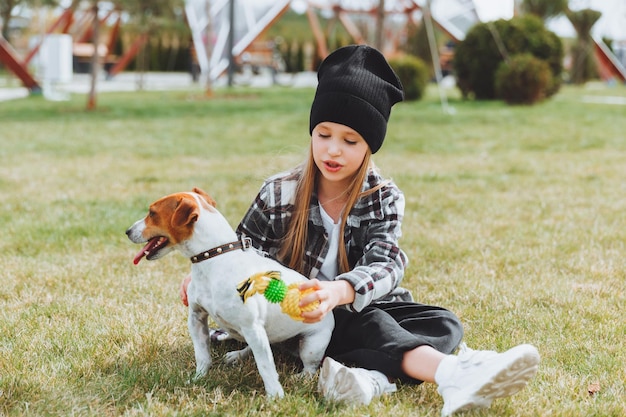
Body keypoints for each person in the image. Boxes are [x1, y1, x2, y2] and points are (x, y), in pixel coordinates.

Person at [180, 45, 540, 416]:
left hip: (359, 303)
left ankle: (370, 382)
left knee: (440, 322)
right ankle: (451, 373)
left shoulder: (383, 197)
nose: (333, 151)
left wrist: (341, 289)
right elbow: (241, 253)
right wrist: (207, 278)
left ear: (370, 145)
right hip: (294, 316)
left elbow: (388, 263)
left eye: (350, 141)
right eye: (323, 134)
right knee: (370, 326)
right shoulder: (278, 192)